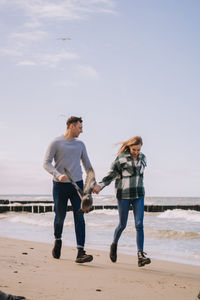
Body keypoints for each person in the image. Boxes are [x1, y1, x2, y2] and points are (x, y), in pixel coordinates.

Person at [94, 136, 151, 267]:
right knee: (122, 224)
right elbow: (112, 174)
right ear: (129, 146)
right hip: (123, 195)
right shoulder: (121, 158)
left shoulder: (143, 158)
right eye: (134, 149)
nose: (136, 152)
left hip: (139, 194)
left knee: (139, 224)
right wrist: (100, 186)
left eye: (138, 149)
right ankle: (114, 244)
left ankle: (140, 255)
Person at [43, 116, 94, 263]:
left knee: (80, 217)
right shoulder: (56, 142)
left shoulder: (80, 145)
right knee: (60, 217)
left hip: (77, 185)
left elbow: (88, 165)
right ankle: (58, 240)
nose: (81, 131)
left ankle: (80, 252)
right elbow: (46, 163)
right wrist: (58, 175)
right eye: (80, 127)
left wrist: (92, 184)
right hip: (60, 185)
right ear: (71, 126)